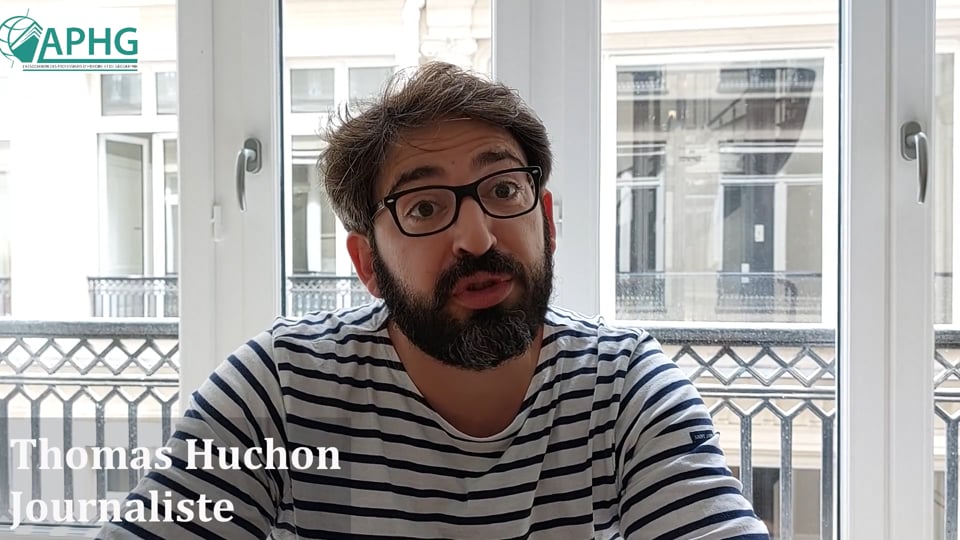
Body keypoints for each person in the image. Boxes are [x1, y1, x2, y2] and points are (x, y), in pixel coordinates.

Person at [98, 61, 770, 539]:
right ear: (368, 263)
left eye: (504, 190)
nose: (477, 238)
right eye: (424, 206)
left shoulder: (622, 389)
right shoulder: (281, 386)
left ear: (547, 222)